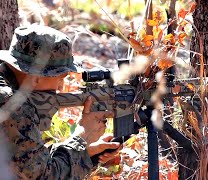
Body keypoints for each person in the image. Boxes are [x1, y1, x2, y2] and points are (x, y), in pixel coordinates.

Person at [0, 24, 120, 179]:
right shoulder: (14, 108)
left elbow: (24, 163)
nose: (61, 86)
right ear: (35, 78)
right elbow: (43, 176)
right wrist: (82, 137)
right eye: (60, 78)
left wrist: (88, 152)